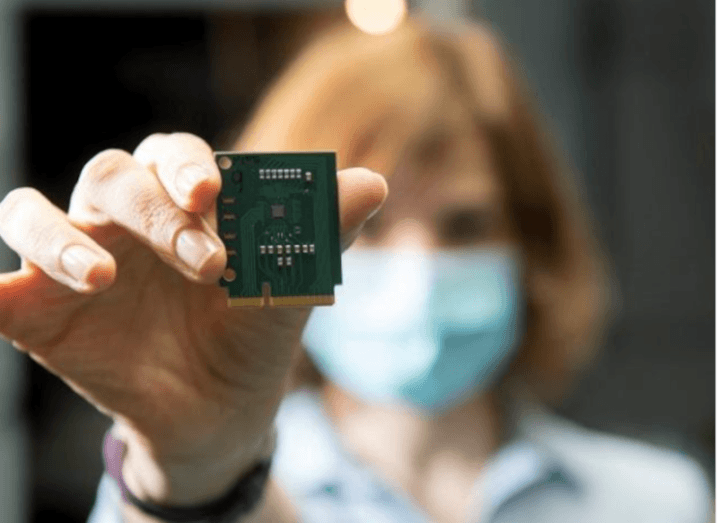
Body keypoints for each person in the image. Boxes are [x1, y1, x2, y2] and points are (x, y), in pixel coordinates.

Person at [0, 16, 711, 523]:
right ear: (261, 251)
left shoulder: (662, 502)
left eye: (466, 224)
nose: (419, 266)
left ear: (535, 245)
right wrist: (198, 475)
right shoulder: (174, 487)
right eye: (360, 231)